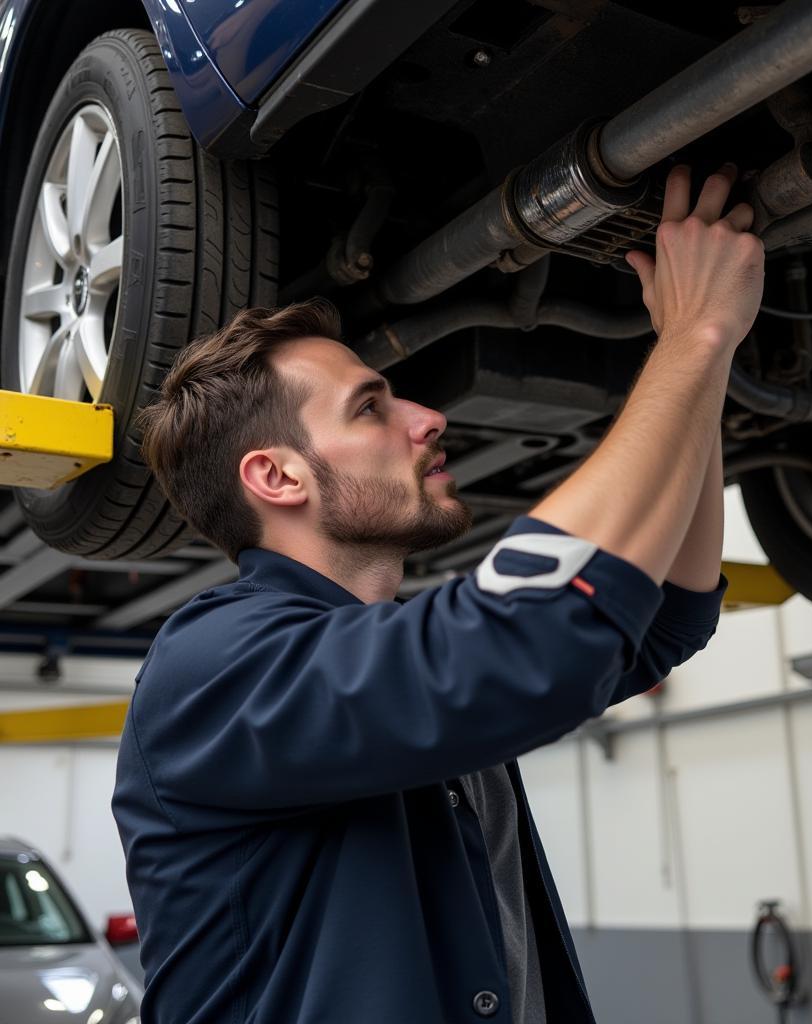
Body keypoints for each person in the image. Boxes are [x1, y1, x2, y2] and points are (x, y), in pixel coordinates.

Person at [112, 163, 764, 1024]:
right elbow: (527, 634)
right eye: (370, 408)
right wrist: (695, 337)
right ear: (276, 475)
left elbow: (669, 616)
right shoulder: (212, 665)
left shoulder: (380, 662)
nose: (427, 417)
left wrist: (694, 355)